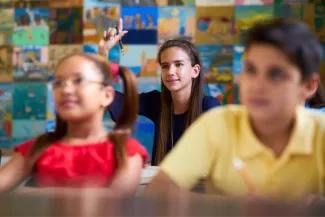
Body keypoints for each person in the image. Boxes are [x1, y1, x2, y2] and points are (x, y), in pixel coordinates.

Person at [146, 18, 325, 201]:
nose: (257, 85)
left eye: (276, 74)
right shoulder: (216, 124)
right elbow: (158, 191)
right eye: (250, 70)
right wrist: (233, 205)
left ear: (309, 86)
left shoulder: (321, 132)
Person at [0, 53, 148, 196]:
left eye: (78, 81)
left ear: (107, 95)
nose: (65, 89)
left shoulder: (125, 151)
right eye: (58, 83)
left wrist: (31, 194)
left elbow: (111, 202)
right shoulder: (39, 147)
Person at [99, 19, 220, 165]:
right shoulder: (157, 102)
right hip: (160, 185)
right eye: (165, 66)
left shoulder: (209, 107)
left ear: (195, 71)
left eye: (178, 64)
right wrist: (103, 53)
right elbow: (110, 96)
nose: (170, 72)